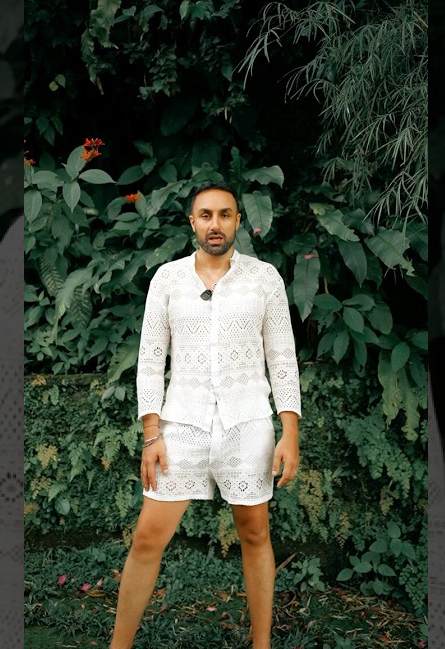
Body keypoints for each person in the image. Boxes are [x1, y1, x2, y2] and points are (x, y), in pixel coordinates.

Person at [109, 182, 302, 649]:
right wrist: (151, 434)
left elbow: (282, 358)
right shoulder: (167, 279)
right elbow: (150, 360)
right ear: (192, 222)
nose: (216, 224)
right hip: (181, 425)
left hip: (248, 424)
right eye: (206, 215)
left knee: (255, 534)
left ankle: (261, 645)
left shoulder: (265, 279)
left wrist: (289, 431)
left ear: (238, 221)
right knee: (147, 538)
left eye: (225, 214)